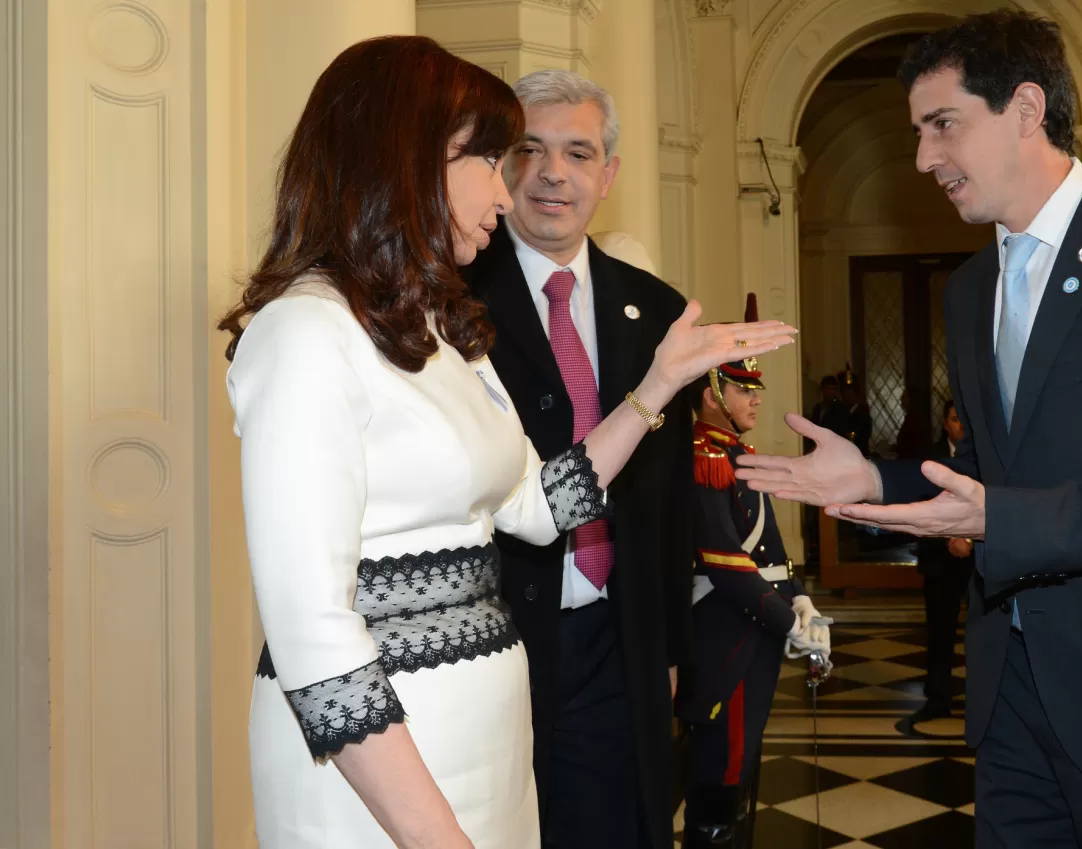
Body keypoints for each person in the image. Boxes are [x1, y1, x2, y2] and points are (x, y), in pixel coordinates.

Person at [735, 11, 1082, 848]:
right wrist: (875, 480)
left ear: (1027, 108)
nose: (925, 157)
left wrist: (999, 520)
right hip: (1013, 698)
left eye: (943, 125)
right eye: (920, 133)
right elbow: (985, 470)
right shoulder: (972, 289)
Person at [221, 37, 794, 849]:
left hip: (488, 753)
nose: (510, 185)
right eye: (490, 158)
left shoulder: (441, 330)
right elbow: (312, 633)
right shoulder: (305, 333)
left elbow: (535, 505)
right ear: (406, 161)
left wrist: (656, 388)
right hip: (382, 779)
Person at [458, 68, 702, 849]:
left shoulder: (658, 311)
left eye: (578, 152)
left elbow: (666, 499)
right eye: (529, 149)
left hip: (612, 640)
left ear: (609, 173)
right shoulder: (451, 300)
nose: (553, 173)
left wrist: (664, 651)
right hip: (491, 640)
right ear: (503, 162)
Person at [675, 304, 829, 849]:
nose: (756, 397)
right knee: (722, 771)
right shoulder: (702, 456)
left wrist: (803, 601)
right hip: (727, 635)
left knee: (744, 773)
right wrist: (789, 622)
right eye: (744, 388)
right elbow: (725, 561)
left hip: (755, 628)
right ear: (713, 392)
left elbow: (772, 552)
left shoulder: (737, 454)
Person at [896, 400, 973, 737]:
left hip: (979, 560)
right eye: (956, 419)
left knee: (983, 634)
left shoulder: (988, 455)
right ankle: (938, 698)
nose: (961, 427)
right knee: (940, 633)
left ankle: (983, 700)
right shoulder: (930, 457)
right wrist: (948, 540)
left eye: (965, 420)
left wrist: (970, 542)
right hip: (940, 560)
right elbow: (921, 507)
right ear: (945, 423)